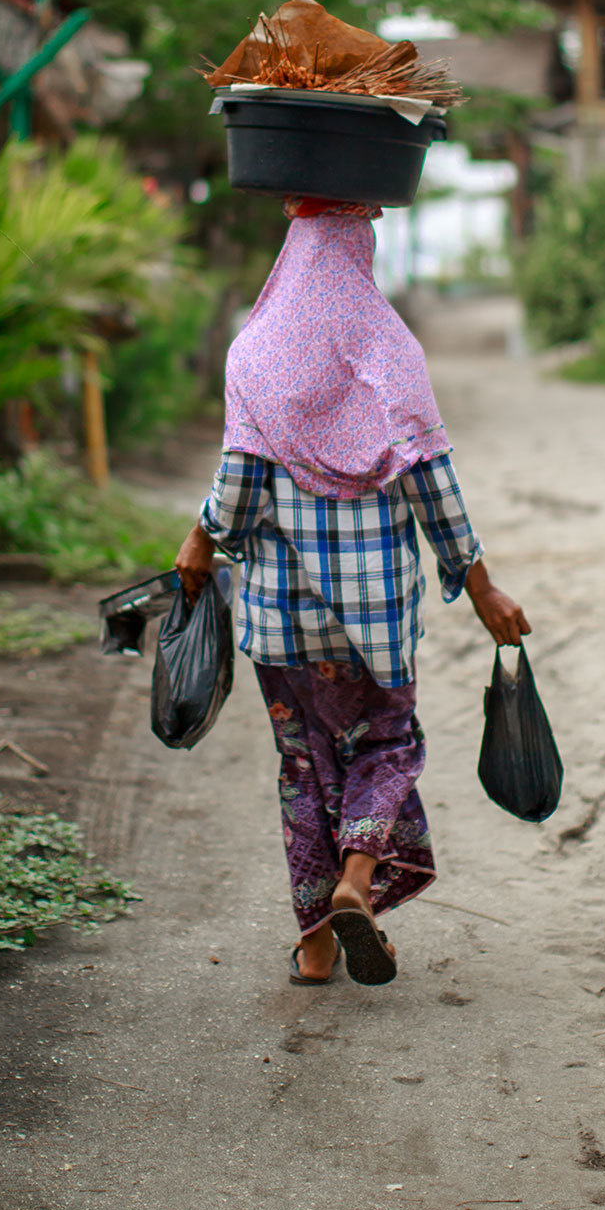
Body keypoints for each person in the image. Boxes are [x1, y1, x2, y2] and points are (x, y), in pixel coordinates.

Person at [175, 197, 530, 987]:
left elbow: (233, 498)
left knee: (303, 766)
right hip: (372, 623)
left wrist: (199, 538)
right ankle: (356, 884)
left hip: (281, 627)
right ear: (357, 257)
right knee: (384, 745)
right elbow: (434, 490)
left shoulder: (255, 353)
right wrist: (481, 589)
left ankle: (314, 946)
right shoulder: (387, 348)